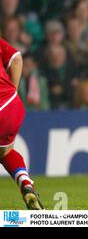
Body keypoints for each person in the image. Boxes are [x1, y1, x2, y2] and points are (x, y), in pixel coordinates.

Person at [0, 38, 44, 209]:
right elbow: (16, 58)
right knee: (4, 152)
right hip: (12, 103)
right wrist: (12, 92)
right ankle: (25, 183)